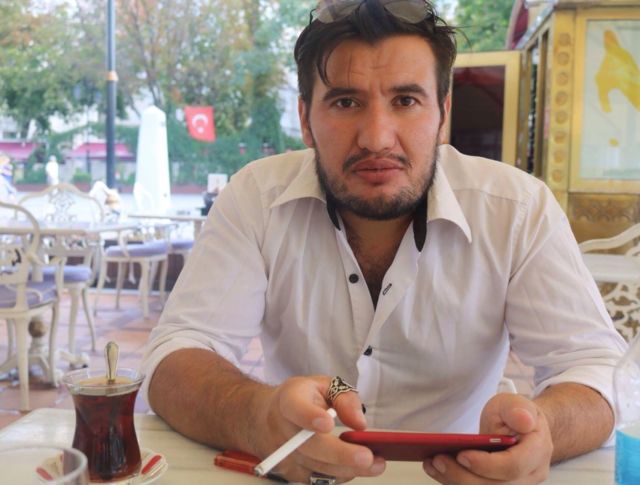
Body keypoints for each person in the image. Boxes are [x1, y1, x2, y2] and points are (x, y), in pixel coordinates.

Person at [142, 1, 627, 483]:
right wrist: (257, 415)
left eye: (406, 101)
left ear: (443, 115)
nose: (376, 138)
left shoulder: (517, 210)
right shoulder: (256, 197)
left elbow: (595, 366)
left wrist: (545, 431)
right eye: (345, 102)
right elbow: (176, 353)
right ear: (306, 120)